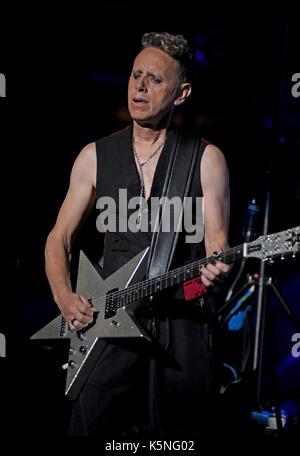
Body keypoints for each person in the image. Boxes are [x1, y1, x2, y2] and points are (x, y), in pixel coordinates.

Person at [44, 31, 231, 437]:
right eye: (135, 76)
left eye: (155, 80)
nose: (140, 87)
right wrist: (64, 296)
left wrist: (218, 267)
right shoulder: (94, 157)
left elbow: (218, 246)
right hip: (109, 325)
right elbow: (58, 239)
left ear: (181, 94)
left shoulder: (206, 159)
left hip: (181, 331)